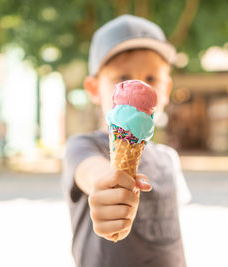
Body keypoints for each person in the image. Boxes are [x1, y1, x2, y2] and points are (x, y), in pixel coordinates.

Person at [62, 14, 190, 267]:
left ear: (166, 89)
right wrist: (104, 190)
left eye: (151, 78)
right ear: (94, 89)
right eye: (122, 78)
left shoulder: (169, 158)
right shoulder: (83, 146)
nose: (138, 87)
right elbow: (94, 174)